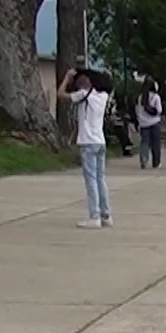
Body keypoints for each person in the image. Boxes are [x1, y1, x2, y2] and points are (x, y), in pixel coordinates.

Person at [60, 68, 112, 228]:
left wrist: (67, 77)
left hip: (88, 142)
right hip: (100, 141)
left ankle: (94, 216)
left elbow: (61, 95)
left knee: (91, 180)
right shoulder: (103, 96)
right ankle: (106, 214)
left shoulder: (83, 95)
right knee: (100, 178)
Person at [135, 78, 163, 168]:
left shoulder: (140, 97)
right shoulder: (156, 97)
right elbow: (159, 110)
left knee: (144, 142)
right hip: (154, 122)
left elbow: (138, 110)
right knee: (156, 143)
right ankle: (156, 162)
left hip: (144, 123)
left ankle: (144, 158)